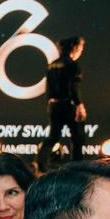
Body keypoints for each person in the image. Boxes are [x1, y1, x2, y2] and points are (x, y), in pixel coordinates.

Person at [37, 35, 87, 170]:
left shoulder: (52, 65)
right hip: (68, 105)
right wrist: (79, 105)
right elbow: (74, 87)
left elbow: (48, 88)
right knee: (78, 137)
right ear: (74, 48)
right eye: (81, 48)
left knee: (53, 136)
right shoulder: (73, 65)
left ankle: (40, 163)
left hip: (54, 105)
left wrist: (49, 104)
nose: (81, 51)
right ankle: (77, 167)